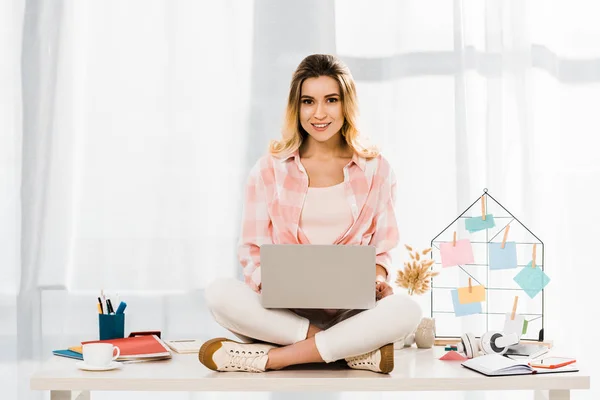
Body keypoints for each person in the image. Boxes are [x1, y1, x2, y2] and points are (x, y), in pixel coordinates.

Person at [199, 54, 422, 374]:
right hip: (284, 314)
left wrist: (377, 277)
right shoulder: (269, 170)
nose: (319, 113)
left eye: (331, 100)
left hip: (352, 312)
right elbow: (251, 251)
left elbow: (384, 248)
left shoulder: (377, 170)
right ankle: (349, 351)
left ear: (346, 105)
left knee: (406, 310)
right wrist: (272, 284)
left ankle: (273, 358)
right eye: (308, 101)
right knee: (219, 293)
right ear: (296, 107)